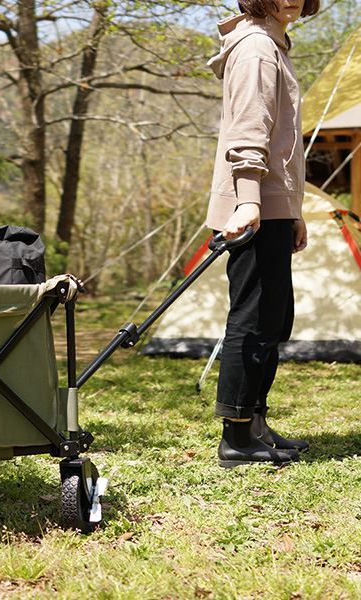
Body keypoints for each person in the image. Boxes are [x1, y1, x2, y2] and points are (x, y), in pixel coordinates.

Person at [206, 0, 319, 468]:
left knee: (272, 320)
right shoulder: (255, 47)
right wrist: (250, 198)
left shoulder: (273, 44)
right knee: (251, 321)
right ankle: (235, 438)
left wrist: (291, 210)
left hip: (271, 205)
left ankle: (254, 423)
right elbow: (249, 129)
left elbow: (284, 141)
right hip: (252, 205)